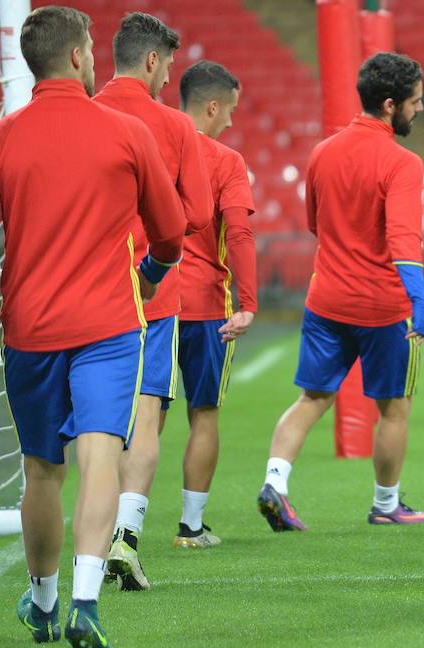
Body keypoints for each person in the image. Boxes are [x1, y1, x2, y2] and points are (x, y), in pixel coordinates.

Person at [0, 6, 186, 648]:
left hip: (30, 331)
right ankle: (85, 604)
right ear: (78, 56)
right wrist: (150, 274)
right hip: (110, 326)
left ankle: (41, 602)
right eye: (90, 47)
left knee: (41, 471)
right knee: (101, 457)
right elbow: (172, 232)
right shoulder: (127, 132)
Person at [256, 52, 424, 531]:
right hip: (383, 307)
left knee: (312, 398)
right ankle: (386, 505)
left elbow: (314, 223)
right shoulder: (403, 163)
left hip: (327, 300)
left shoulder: (322, 152)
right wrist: (419, 301)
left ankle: (275, 482)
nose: (420, 109)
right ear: (391, 105)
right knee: (394, 408)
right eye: (415, 101)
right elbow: (403, 240)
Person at [93, 11, 213, 592]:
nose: (168, 77)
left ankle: (74, 564)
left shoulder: (82, 115)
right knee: (145, 416)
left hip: (82, 292)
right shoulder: (172, 125)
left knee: (92, 428)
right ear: (150, 60)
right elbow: (199, 215)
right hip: (150, 293)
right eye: (166, 66)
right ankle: (126, 536)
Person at [166, 60, 256, 548]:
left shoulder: (151, 145)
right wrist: (249, 302)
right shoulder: (225, 160)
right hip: (206, 307)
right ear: (213, 106)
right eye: (231, 110)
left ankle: (122, 530)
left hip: (149, 303)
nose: (232, 120)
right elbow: (238, 233)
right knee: (203, 414)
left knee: (144, 418)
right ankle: (191, 527)